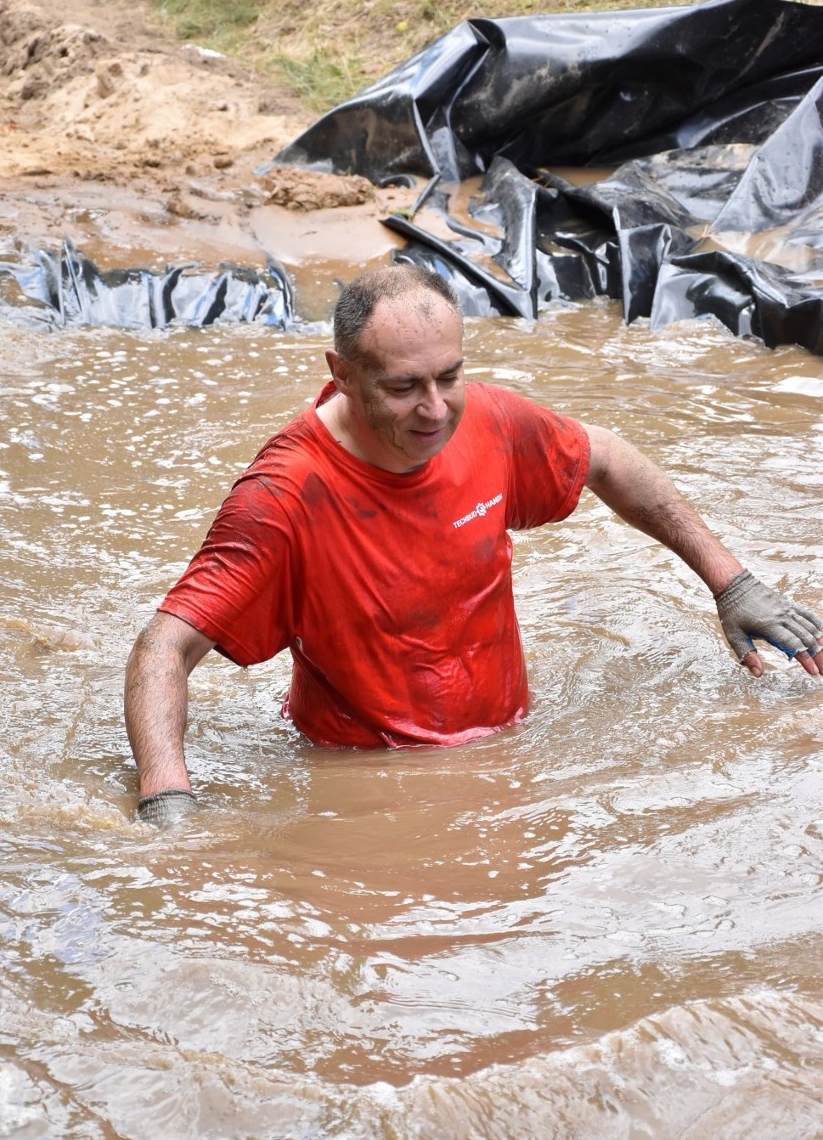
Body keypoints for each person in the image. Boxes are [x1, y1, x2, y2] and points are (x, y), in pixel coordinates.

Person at [124, 265, 822, 825]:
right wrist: (168, 802)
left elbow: (604, 456)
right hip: (368, 788)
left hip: (510, 751)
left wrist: (730, 582)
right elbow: (165, 647)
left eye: (448, 376)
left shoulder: (483, 421)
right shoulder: (286, 495)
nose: (435, 409)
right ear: (341, 374)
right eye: (403, 388)